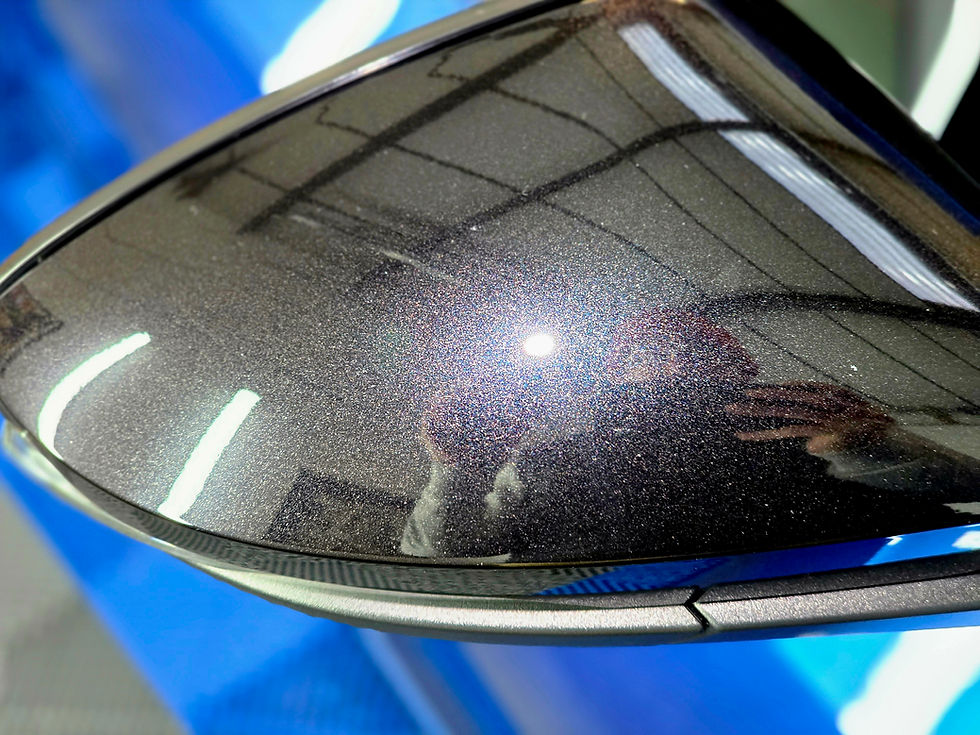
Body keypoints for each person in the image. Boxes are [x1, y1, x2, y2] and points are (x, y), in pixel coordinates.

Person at [401, 309, 979, 562]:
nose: (668, 359)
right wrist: (456, 468)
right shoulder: (555, 458)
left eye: (694, 346)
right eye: (640, 350)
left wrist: (871, 448)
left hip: (869, 585)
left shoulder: (795, 414)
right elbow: (439, 557)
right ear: (611, 375)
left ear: (735, 362)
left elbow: (967, 493)